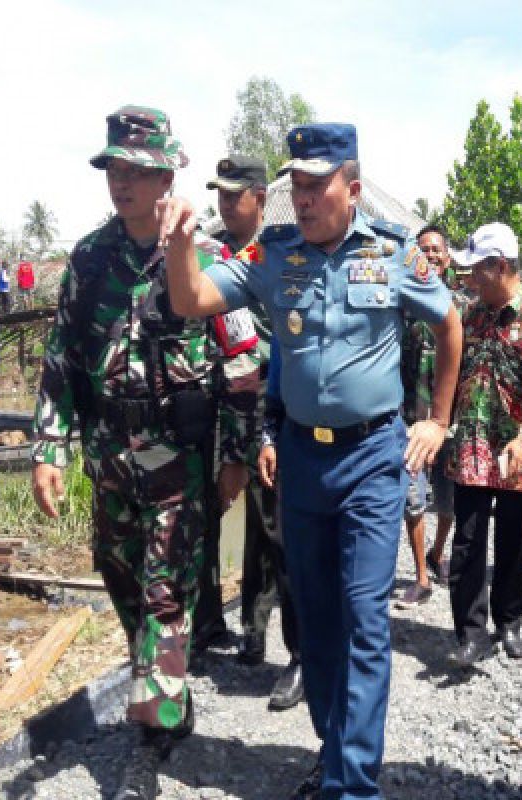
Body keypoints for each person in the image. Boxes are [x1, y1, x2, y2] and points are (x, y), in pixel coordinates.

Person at [162, 122, 463, 800]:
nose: (299, 198)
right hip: (301, 460)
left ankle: (353, 784)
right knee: (320, 620)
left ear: (351, 189)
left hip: (372, 461)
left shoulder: (391, 255)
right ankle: (335, 754)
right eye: (294, 185)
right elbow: (190, 300)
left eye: (314, 185)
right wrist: (181, 246)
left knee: (362, 617)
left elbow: (449, 325)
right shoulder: (275, 258)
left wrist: (438, 421)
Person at [31, 104, 258, 800]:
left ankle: (151, 741)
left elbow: (245, 365)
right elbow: (61, 361)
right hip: (108, 458)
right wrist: (49, 449)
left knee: (166, 590)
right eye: (114, 169)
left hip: (177, 459)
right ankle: (168, 691)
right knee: (119, 573)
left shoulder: (209, 258)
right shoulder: (89, 259)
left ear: (167, 174)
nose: (121, 182)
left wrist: (236, 456)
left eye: (136, 170)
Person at [206, 153, 304, 711]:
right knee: (252, 530)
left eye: (234, 192)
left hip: (277, 403)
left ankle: (299, 655)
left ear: (260, 197)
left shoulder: (280, 253)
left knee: (284, 531)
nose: (225, 201)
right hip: (231, 408)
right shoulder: (216, 251)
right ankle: (251, 629)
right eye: (219, 192)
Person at [441, 222, 522, 668]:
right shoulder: (470, 316)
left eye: (476, 272)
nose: (468, 280)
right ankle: (469, 632)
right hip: (470, 450)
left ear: (500, 266)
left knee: (513, 542)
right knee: (466, 543)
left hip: (514, 455)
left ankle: (509, 623)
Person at [410, 224, 457, 586]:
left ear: (448, 257)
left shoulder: (463, 307)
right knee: (413, 494)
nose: (430, 255)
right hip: (411, 412)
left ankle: (437, 551)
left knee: (447, 496)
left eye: (436, 249)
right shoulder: (405, 304)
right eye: (423, 249)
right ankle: (420, 577)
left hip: (449, 417)